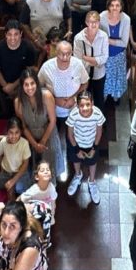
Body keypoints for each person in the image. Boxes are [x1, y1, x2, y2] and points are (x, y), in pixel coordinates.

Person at [38, 40, 89, 180]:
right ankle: (55, 168)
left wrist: (74, 96)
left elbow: (85, 82)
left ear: (72, 53)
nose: (65, 58)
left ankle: (76, 170)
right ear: (56, 53)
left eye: (68, 54)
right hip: (53, 112)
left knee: (72, 139)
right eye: (61, 54)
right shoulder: (47, 67)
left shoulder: (78, 64)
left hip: (73, 110)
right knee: (54, 140)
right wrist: (55, 99)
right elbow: (39, 87)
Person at [0, 200, 50, 270]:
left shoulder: (30, 249)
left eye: (12, 226)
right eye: (4, 224)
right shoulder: (9, 232)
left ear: (21, 227)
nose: (6, 232)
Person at [66, 90, 106, 203]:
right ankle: (78, 175)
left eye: (88, 104)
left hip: (91, 144)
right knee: (76, 160)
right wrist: (76, 149)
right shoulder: (73, 114)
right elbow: (70, 133)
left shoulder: (98, 114)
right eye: (81, 105)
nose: (85, 108)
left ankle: (92, 181)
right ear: (77, 105)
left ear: (92, 103)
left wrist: (94, 148)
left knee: (92, 162)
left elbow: (99, 132)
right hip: (77, 143)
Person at [15, 67, 59, 168]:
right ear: (22, 86)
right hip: (31, 135)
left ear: (37, 83)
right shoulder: (18, 102)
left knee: (48, 166)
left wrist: (43, 141)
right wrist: (35, 144)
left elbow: (53, 121)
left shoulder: (46, 96)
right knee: (34, 168)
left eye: (32, 83)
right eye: (26, 84)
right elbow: (24, 127)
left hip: (48, 132)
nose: (30, 88)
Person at [0, 20, 38, 115]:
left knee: (23, 114)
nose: (13, 38)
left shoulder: (28, 47)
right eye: (9, 34)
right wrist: (5, 86)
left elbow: (30, 70)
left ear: (21, 34)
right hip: (4, 87)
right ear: (5, 34)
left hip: (23, 87)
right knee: (7, 114)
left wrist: (13, 86)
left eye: (16, 34)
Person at [73, 10, 109, 108]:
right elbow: (77, 59)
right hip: (84, 74)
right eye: (90, 22)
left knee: (99, 100)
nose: (93, 24)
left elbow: (104, 58)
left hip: (99, 74)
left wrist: (86, 58)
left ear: (99, 22)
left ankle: (99, 121)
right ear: (86, 22)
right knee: (84, 99)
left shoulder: (104, 36)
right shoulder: (78, 38)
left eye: (96, 22)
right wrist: (94, 61)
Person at [100, 0, 132, 103]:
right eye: (112, 5)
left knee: (117, 77)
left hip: (119, 54)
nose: (115, 8)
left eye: (117, 5)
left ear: (121, 7)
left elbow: (124, 43)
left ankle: (116, 96)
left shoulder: (126, 19)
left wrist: (107, 40)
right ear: (108, 6)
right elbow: (99, 38)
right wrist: (112, 41)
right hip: (104, 53)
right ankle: (104, 95)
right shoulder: (102, 17)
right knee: (105, 76)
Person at [0, 117, 33, 201]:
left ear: (21, 132)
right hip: (6, 172)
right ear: (7, 132)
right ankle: (12, 205)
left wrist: (13, 180)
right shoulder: (3, 142)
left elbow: (25, 164)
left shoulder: (24, 143)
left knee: (24, 192)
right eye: (11, 132)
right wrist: (2, 168)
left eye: (17, 133)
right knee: (7, 190)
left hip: (20, 172)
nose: (13, 136)